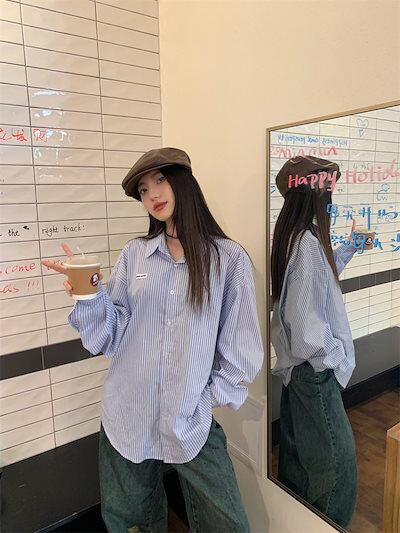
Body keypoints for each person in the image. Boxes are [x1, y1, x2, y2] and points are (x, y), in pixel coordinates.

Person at [43, 147, 264, 533]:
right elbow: (111, 336)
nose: (152, 195)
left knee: (229, 525)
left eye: (160, 180)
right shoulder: (136, 254)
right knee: (132, 524)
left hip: (189, 419)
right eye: (143, 190)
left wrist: (203, 399)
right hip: (126, 416)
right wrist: (88, 295)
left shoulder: (228, 259)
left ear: (183, 182)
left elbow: (241, 348)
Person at [270, 155, 359, 528]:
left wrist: (350, 247)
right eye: (329, 191)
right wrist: (333, 359)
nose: (332, 201)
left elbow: (317, 280)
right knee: (338, 473)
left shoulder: (295, 237)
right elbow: (307, 328)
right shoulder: (306, 243)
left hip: (299, 373)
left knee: (298, 467)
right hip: (314, 372)